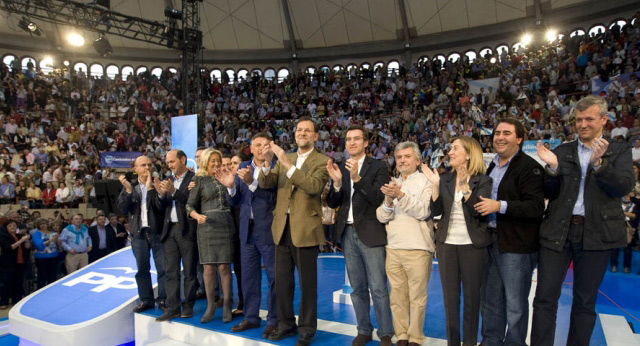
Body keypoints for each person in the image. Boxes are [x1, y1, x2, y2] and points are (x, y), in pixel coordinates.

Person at [532, 95, 635, 346]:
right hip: (558, 231)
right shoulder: (563, 150)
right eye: (579, 119)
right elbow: (548, 191)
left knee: (585, 302)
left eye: (589, 119)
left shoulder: (618, 150)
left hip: (596, 234)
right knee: (545, 298)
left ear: (604, 120)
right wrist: (553, 170)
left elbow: (623, 186)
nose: (583, 124)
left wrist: (599, 165)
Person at [258, 117, 330, 346]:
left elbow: (314, 187)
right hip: (281, 228)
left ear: (315, 136)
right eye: (299, 130)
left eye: (308, 130)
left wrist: (287, 166)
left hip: (306, 229)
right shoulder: (284, 157)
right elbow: (265, 183)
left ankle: (307, 328)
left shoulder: (322, 161)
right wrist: (268, 163)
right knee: (282, 282)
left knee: (307, 284)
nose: (302, 133)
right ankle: (286, 324)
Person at [475, 118, 545, 346]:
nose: (500, 137)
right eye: (497, 133)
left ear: (519, 138)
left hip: (516, 245)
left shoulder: (529, 167)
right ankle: (491, 341)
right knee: (490, 299)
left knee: (515, 304)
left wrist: (500, 206)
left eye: (507, 133)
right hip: (492, 240)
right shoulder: (492, 165)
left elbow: (536, 207)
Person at [326, 125, 393, 346]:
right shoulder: (342, 168)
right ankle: (364, 329)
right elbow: (333, 203)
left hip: (371, 233)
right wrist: (336, 183)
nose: (352, 142)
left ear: (366, 143)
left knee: (379, 288)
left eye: (357, 139)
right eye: (348, 139)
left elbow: (378, 198)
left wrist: (357, 178)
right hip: (347, 233)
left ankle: (385, 333)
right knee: (357, 288)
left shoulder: (379, 166)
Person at [425, 137, 492, 346]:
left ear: (469, 154)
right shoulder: (444, 179)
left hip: (473, 247)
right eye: (450, 148)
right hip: (446, 245)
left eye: (455, 148)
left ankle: (469, 342)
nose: (450, 152)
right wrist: (435, 187)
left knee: (472, 301)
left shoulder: (483, 180)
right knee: (450, 300)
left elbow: (478, 212)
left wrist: (464, 187)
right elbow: (436, 212)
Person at [375, 141, 434, 346]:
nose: (402, 160)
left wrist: (400, 195)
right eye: (399, 157)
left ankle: (416, 337)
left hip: (418, 247)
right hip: (393, 247)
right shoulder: (392, 183)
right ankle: (401, 335)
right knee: (397, 297)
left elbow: (424, 211)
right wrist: (389, 202)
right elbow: (382, 217)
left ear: (417, 160)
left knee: (417, 297)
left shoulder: (427, 181)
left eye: (407, 156)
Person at [226, 132, 278, 338]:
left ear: (271, 148)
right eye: (257, 144)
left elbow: (273, 196)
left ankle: (274, 320)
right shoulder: (242, 166)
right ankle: (250, 317)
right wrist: (230, 188)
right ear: (250, 147)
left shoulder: (277, 166)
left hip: (269, 229)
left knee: (274, 277)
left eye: (266, 145)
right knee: (248, 277)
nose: (261, 148)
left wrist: (251, 183)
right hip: (246, 230)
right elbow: (235, 201)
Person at [186, 148, 236, 323]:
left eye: (217, 160)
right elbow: (189, 206)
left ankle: (228, 305)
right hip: (206, 225)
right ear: (205, 162)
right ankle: (210, 305)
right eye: (212, 160)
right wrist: (197, 216)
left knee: (224, 267)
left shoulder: (227, 176)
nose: (215, 164)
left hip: (225, 223)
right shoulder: (198, 180)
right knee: (208, 268)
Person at [117, 155, 167, 313]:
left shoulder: (158, 184)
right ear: (135, 169)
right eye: (143, 165)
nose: (147, 168)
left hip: (158, 233)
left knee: (163, 269)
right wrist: (127, 191)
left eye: (149, 165)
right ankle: (146, 300)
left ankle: (164, 299)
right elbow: (123, 208)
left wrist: (151, 189)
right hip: (139, 235)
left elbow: (162, 207)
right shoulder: (130, 186)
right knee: (142, 269)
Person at [155, 150, 198, 322]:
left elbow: (191, 202)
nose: (170, 165)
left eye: (172, 161)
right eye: (168, 162)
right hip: (170, 230)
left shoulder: (195, 179)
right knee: (171, 272)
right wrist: (159, 194)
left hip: (187, 230)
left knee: (189, 272)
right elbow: (161, 207)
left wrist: (173, 192)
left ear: (183, 160)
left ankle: (188, 305)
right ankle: (172, 307)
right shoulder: (169, 180)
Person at [222, 153, 244, 317]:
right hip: (228, 233)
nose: (230, 167)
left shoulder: (245, 182)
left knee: (244, 270)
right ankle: (237, 301)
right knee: (236, 269)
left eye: (234, 163)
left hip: (244, 232)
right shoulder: (223, 184)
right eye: (228, 164)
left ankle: (245, 302)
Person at [0, 220, 31, 309]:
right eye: (10, 226)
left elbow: (27, 248)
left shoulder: (19, 235)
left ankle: (16, 300)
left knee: (18, 282)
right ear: (6, 227)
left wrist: (26, 241)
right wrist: (21, 240)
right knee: (7, 282)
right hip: (8, 263)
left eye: (14, 225)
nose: (13, 227)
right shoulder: (3, 236)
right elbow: (10, 247)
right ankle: (3, 301)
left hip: (20, 262)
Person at [32, 219, 60, 289]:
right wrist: (50, 241)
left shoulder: (53, 233)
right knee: (42, 276)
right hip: (41, 258)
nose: (43, 225)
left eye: (44, 223)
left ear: (47, 224)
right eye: (41, 224)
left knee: (52, 276)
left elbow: (58, 245)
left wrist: (58, 239)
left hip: (53, 256)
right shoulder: (36, 233)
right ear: (38, 226)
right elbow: (38, 245)